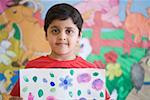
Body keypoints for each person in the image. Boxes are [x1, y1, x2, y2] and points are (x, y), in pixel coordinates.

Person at [5, 3, 108, 100]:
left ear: (79, 36)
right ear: (46, 35)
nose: (62, 37)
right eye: (55, 31)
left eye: (69, 31)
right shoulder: (32, 68)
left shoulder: (90, 71)